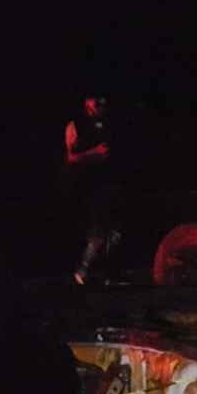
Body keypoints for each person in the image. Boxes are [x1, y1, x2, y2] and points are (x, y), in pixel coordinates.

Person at [64, 95, 117, 285]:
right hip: (87, 186)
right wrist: (94, 154)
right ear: (86, 102)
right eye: (95, 101)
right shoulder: (75, 125)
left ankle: (108, 274)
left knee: (113, 232)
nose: (100, 105)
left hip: (106, 184)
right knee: (97, 233)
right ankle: (82, 272)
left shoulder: (105, 123)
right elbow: (71, 158)